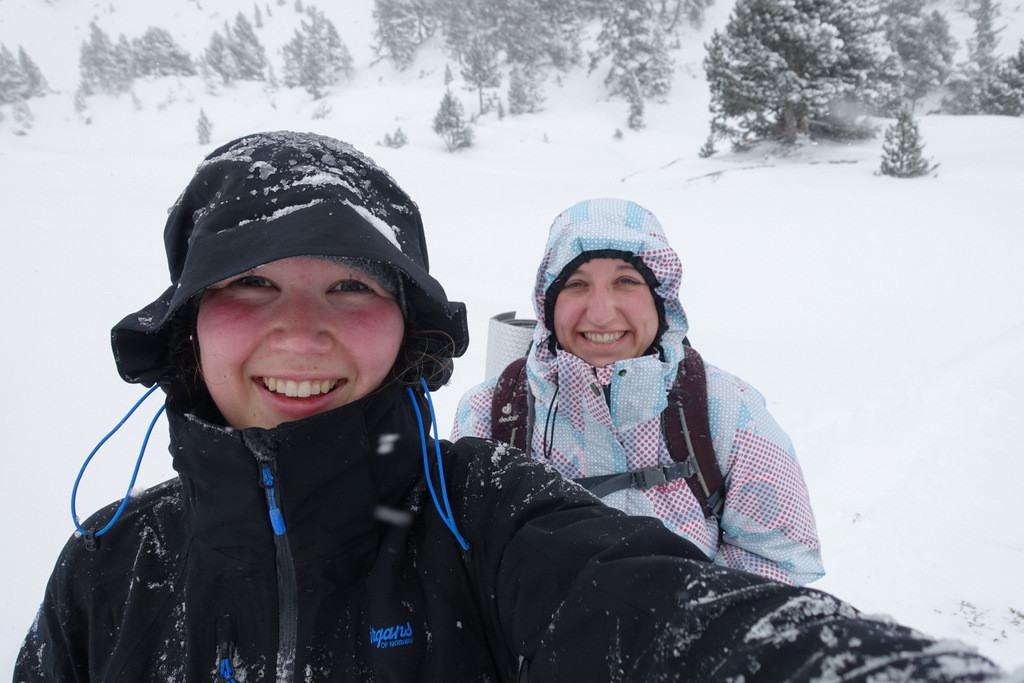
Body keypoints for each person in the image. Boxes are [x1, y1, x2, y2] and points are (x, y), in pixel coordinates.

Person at [14, 132, 1007, 682]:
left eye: (351, 286)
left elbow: (667, 603)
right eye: (251, 285)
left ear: (406, 325)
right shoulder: (106, 571)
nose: (301, 331)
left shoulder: (498, 500)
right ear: (186, 323)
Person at [452, 198, 823, 586]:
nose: (600, 313)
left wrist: (677, 616)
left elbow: (782, 559)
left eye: (626, 281)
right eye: (576, 284)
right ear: (549, 302)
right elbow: (463, 567)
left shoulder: (726, 409)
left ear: (661, 296)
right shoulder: (488, 411)